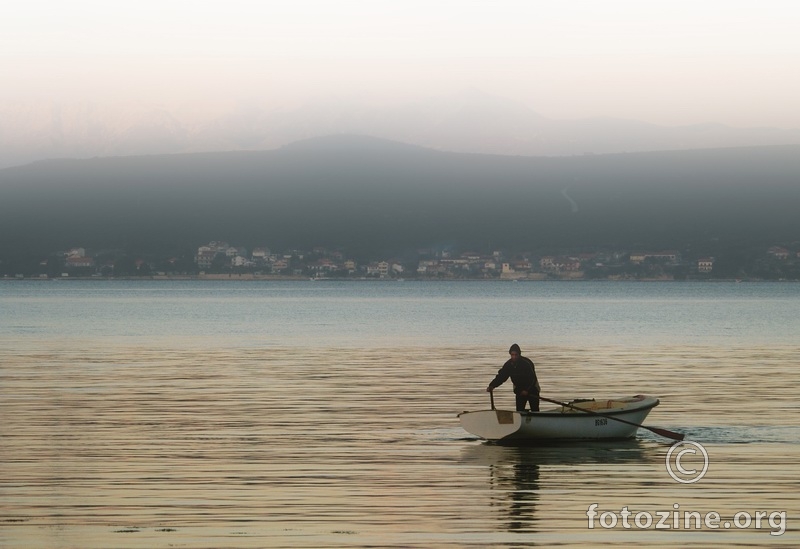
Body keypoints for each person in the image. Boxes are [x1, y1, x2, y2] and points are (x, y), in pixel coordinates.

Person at [486, 343, 540, 412]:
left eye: (516, 355)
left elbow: (532, 379)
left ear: (519, 354)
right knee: (519, 410)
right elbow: (501, 376)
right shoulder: (508, 365)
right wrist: (492, 385)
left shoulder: (526, 363)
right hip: (519, 389)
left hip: (532, 388)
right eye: (512, 355)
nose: (514, 357)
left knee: (535, 409)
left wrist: (527, 390)